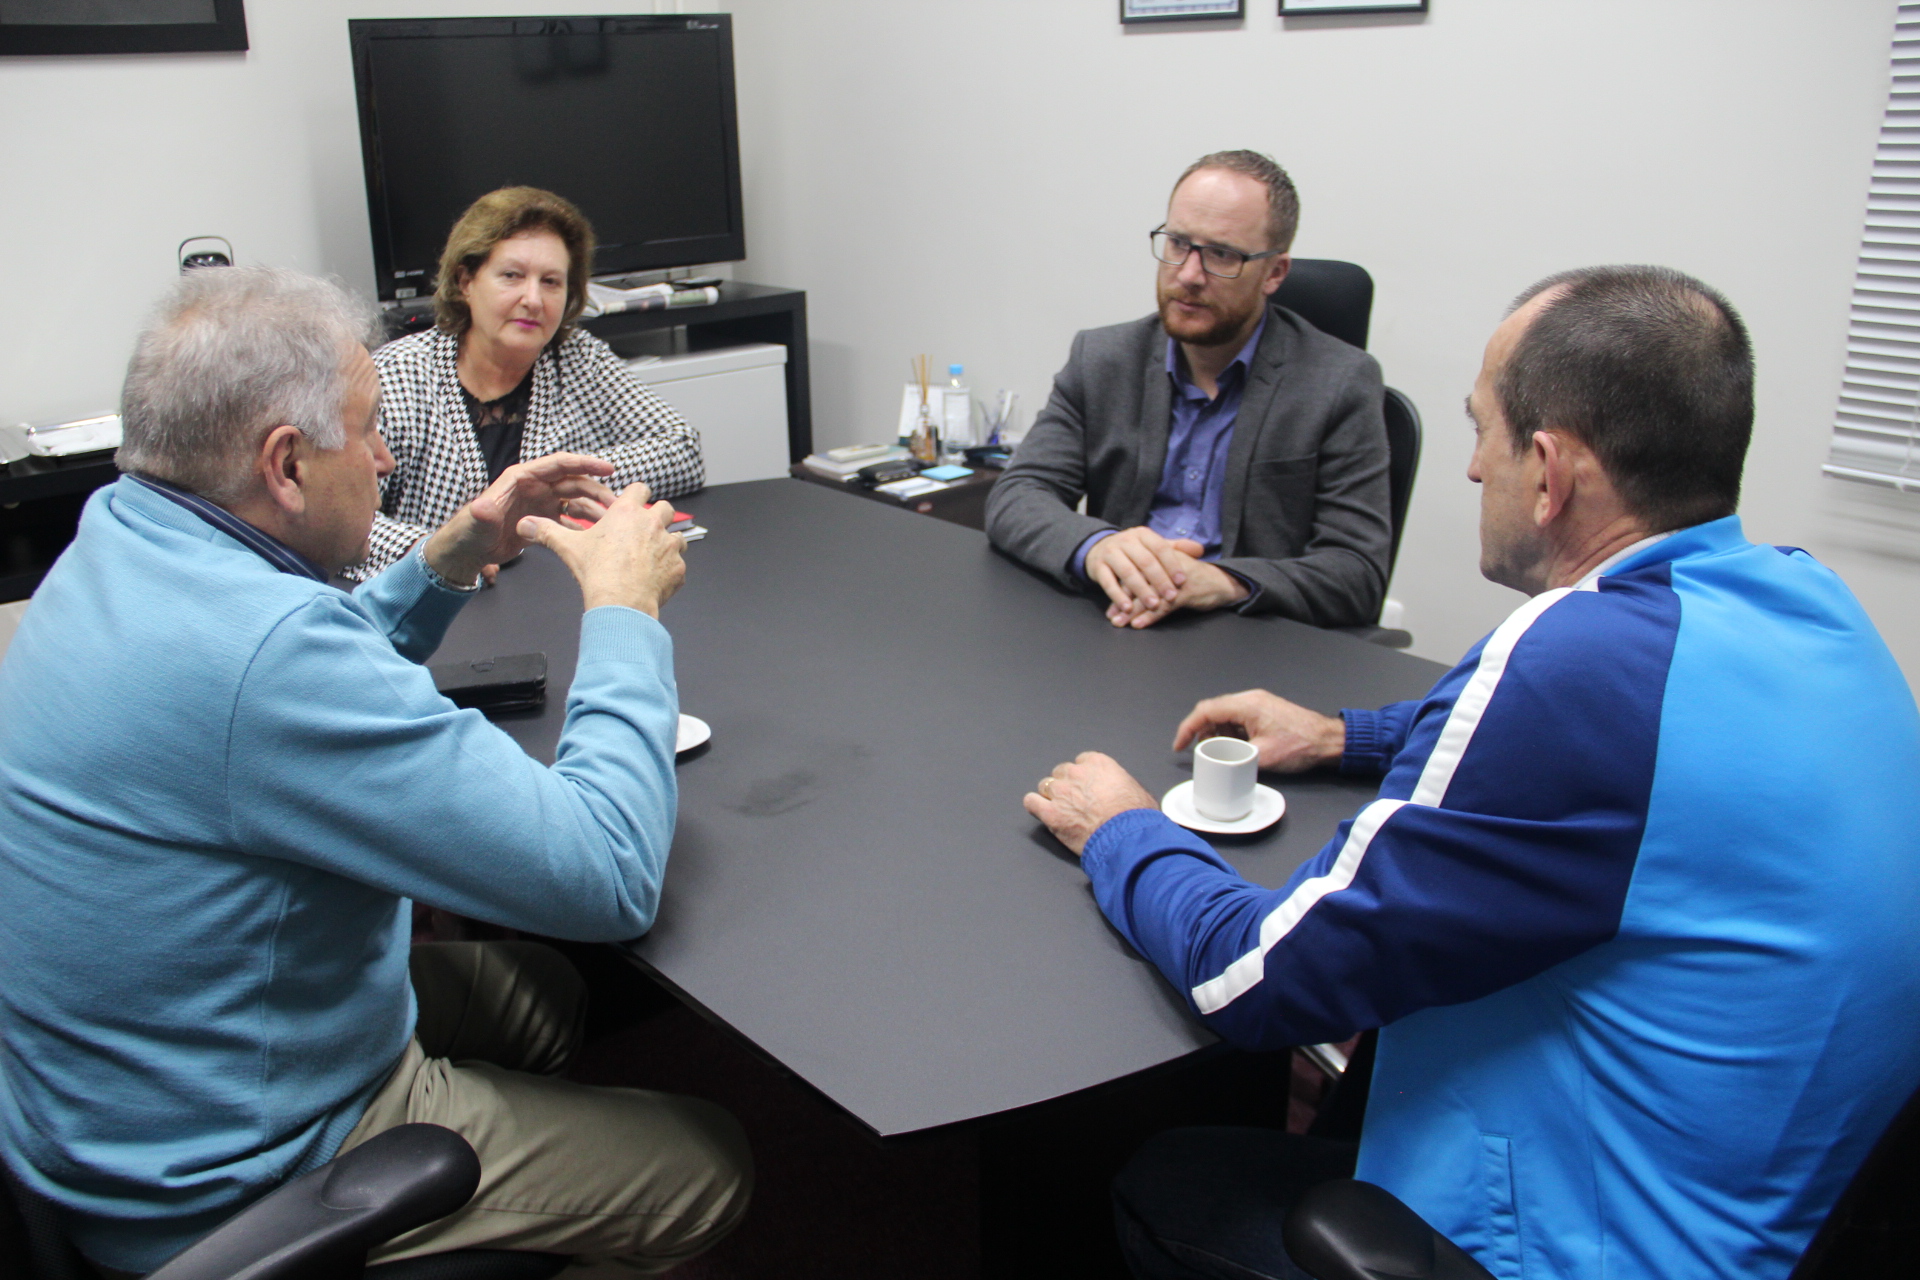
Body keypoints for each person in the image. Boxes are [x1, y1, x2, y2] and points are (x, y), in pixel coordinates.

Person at [1023, 266, 1920, 1279]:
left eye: (1480, 429)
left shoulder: (1570, 662)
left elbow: (1255, 977)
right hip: (1779, 1202)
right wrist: (1339, 734)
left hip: (1614, 1245)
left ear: (1552, 472)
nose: (1467, 469)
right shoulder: (1807, 604)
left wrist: (1124, 827)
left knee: (1168, 1179)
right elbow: (1617, 753)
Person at [0, 266, 749, 1277]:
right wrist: (621, 610)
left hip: (124, 1088)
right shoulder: (265, 654)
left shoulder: (119, 542)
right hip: (224, 1176)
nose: (387, 456)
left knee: (549, 996)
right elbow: (607, 870)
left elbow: (273, 674)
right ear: (285, 464)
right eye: (364, 431)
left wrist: (451, 553)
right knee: (711, 1163)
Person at [985, 150, 1391, 629]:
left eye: (1222, 255)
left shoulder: (1340, 383)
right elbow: (1018, 494)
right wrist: (1098, 547)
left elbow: (1356, 572)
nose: (1189, 274)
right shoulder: (1103, 360)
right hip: (1116, 628)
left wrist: (1223, 581)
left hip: (1244, 642)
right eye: (1178, 243)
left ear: (1275, 272)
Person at [355, 185, 704, 580]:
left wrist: (561, 482)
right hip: (433, 596)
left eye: (551, 282)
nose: (533, 299)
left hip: (548, 589)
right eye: (512, 276)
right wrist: (439, 555)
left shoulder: (575, 357)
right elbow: (350, 521)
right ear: (465, 280)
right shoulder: (400, 374)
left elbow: (683, 448)